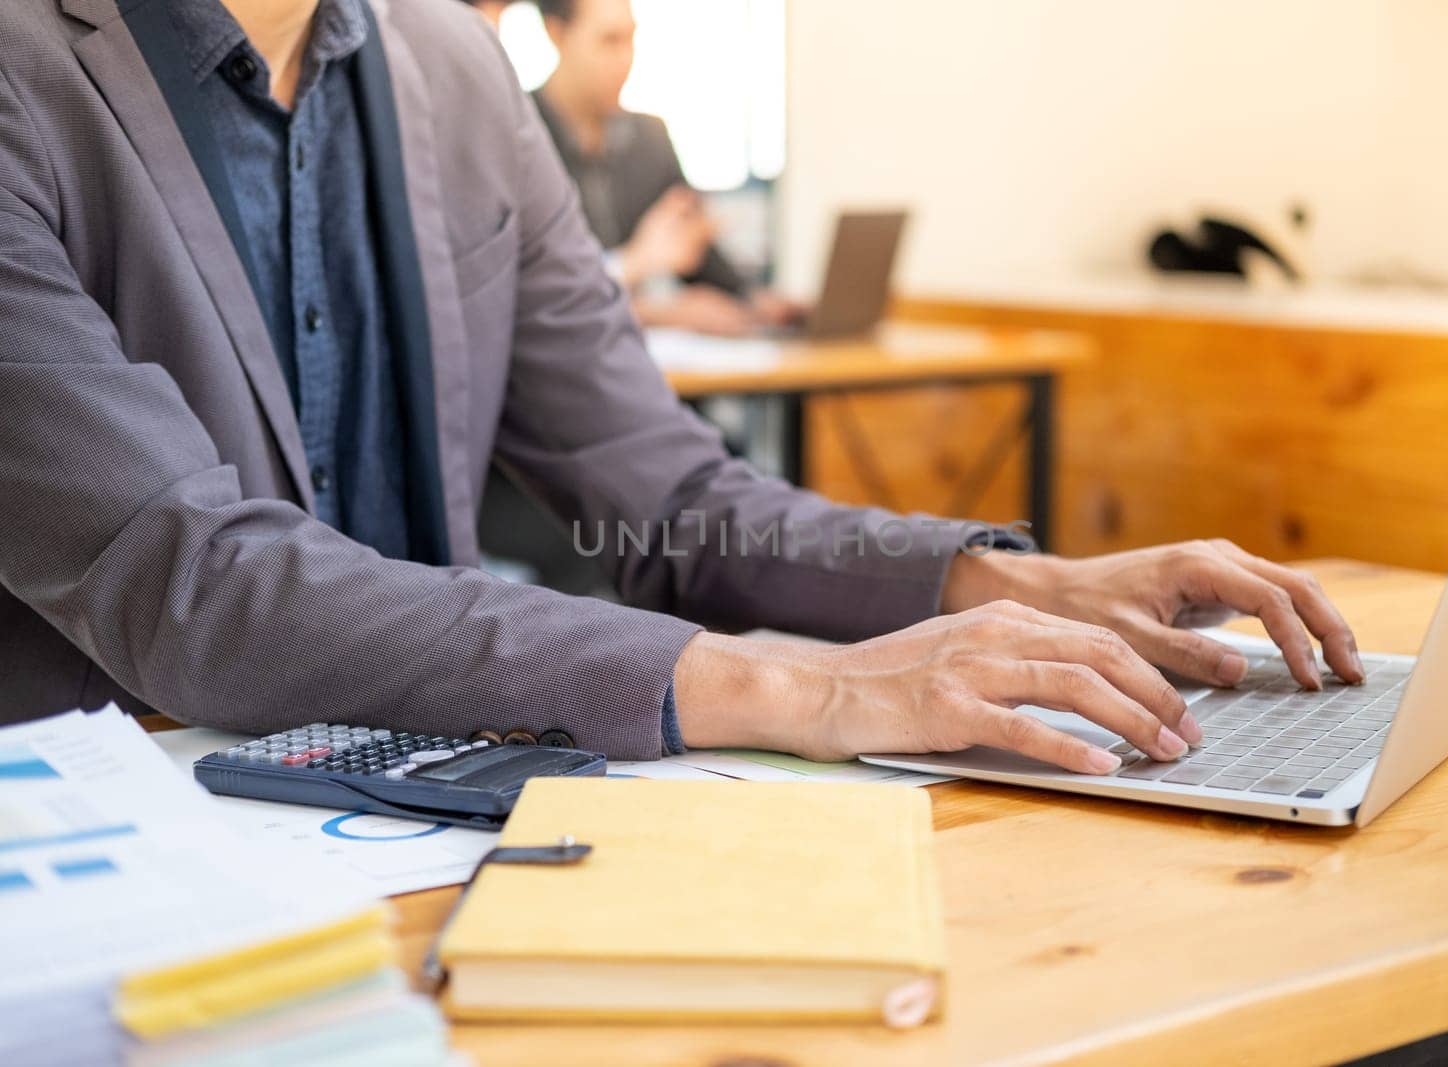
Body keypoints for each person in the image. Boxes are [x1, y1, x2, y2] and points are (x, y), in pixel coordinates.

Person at [0, 0, 1364, 778]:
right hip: (111, 836)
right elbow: (191, 583)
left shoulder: (457, 70)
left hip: (443, 793)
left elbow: (662, 491)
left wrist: (1006, 588)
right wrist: (798, 687)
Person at [529, 0, 802, 337]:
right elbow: (540, 293)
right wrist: (661, 308)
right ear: (556, 34)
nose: (625, 59)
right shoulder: (520, 139)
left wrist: (755, 301)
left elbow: (699, 256)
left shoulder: (649, 139)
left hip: (646, 358)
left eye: (632, 40)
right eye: (609, 41)